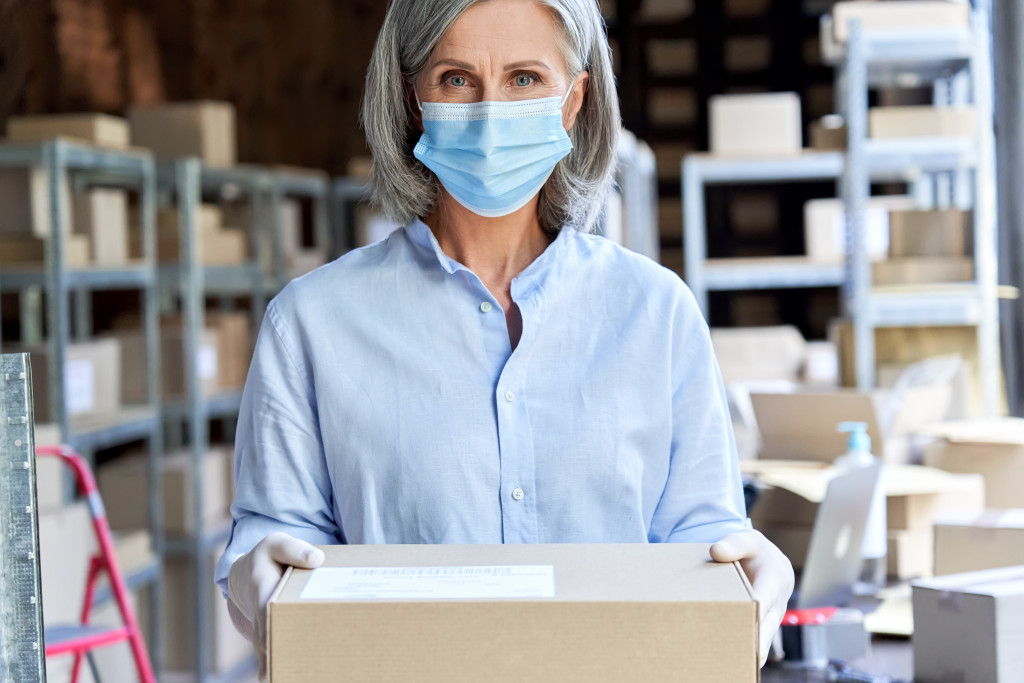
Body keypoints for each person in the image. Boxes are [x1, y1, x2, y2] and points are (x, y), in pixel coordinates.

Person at [216, 0, 794, 677]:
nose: (491, 113)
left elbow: (701, 543)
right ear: (412, 99)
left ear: (574, 101)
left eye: (524, 79)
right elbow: (278, 552)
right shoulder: (311, 324)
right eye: (457, 79)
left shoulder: (657, 314)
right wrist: (257, 579)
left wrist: (746, 572)